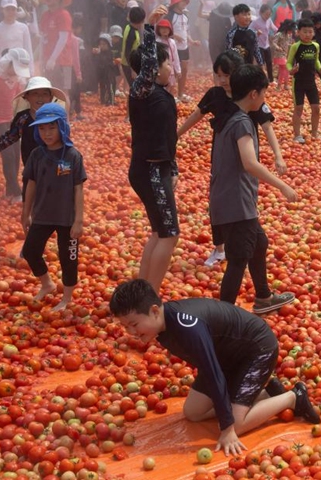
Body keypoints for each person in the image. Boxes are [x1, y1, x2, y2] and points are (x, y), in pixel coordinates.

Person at [109, 279, 320, 456]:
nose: (130, 332)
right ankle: (267, 392)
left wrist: (227, 429)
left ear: (154, 311)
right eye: (125, 326)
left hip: (257, 350)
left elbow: (212, 371)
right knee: (192, 412)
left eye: (134, 324)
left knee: (236, 424)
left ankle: (293, 397)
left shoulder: (187, 327)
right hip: (226, 357)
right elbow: (212, 367)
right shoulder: (162, 325)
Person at [177, 50, 287, 267]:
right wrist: (175, 135)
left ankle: (242, 244)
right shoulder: (215, 95)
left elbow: (267, 125)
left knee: (243, 199)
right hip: (223, 154)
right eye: (218, 75)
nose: (222, 80)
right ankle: (220, 248)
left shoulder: (250, 98)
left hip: (245, 156)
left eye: (227, 75)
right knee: (218, 200)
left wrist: (278, 155)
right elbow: (197, 115)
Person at [208, 64, 298, 312]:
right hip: (235, 202)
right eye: (265, 92)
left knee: (258, 243)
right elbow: (249, 163)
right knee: (238, 259)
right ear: (253, 94)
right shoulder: (242, 123)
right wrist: (283, 186)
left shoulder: (227, 117)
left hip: (227, 199)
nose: (265, 98)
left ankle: (263, 297)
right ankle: (223, 315)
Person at [128, 5, 179, 293]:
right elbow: (148, 61)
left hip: (156, 168)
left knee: (160, 231)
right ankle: (151, 296)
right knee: (170, 235)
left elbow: (168, 136)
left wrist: (172, 168)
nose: (170, 67)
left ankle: (143, 289)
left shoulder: (158, 94)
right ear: (154, 68)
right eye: (167, 63)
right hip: (148, 170)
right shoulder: (142, 89)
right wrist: (149, 26)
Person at [20, 102, 86, 312]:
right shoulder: (36, 155)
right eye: (42, 128)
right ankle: (47, 284)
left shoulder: (73, 156)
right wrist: (26, 213)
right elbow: (31, 184)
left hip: (67, 218)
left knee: (69, 258)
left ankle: (66, 298)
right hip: (41, 214)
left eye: (52, 127)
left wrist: (78, 220)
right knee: (30, 251)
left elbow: (78, 189)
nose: (47, 133)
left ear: (62, 127)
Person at [0, 77, 69, 204]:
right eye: (35, 94)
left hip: (53, 171)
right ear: (27, 97)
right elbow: (10, 137)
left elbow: (65, 146)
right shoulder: (22, 118)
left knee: (52, 204)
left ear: (51, 98)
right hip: (31, 170)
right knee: (32, 203)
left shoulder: (57, 119)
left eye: (44, 94)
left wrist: (65, 174)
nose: (40, 98)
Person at [0, 48, 31, 204]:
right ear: (8, 62)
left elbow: (19, 99)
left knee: (17, 154)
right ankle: (17, 191)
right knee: (8, 155)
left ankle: (10, 189)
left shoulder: (16, 79)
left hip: (12, 120)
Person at [287, 18, 321, 143]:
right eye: (304, 32)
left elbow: (316, 61)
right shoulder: (295, 46)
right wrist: (291, 70)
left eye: (310, 32)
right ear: (298, 32)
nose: (307, 34)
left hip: (311, 82)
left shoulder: (316, 46)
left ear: (313, 33)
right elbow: (288, 62)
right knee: (298, 109)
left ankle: (314, 132)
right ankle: (297, 135)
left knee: (316, 108)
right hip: (298, 82)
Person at [40, 0, 76, 99]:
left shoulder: (64, 14)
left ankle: (64, 115)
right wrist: (42, 59)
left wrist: (52, 59)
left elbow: (63, 39)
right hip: (48, 60)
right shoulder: (45, 15)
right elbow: (43, 38)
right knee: (49, 91)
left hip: (63, 61)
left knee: (63, 92)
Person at [167, 0, 198, 102]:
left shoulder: (185, 16)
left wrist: (192, 41)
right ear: (176, 3)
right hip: (172, 47)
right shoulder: (170, 15)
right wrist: (175, 36)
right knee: (174, 71)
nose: (185, 4)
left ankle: (181, 94)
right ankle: (170, 94)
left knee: (184, 70)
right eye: (183, 2)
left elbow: (186, 31)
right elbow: (163, 31)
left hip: (184, 47)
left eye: (186, 2)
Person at [0, 0, 34, 77]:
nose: (10, 12)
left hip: (20, 69)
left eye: (13, 9)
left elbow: (28, 49)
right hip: (2, 70)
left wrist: (31, 71)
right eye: (7, 9)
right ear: (2, 10)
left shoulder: (23, 28)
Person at [120, 7, 145, 93]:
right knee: (136, 89)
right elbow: (128, 52)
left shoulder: (128, 26)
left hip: (132, 62)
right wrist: (133, 69)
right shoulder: (132, 34)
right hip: (128, 64)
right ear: (141, 21)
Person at [156, 19, 182, 98]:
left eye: (166, 28)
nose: (164, 30)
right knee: (162, 86)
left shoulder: (172, 42)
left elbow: (176, 57)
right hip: (161, 69)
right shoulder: (157, 42)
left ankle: (169, 100)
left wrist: (178, 70)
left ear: (170, 30)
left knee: (171, 85)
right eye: (162, 28)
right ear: (158, 30)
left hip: (171, 69)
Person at [251, 4, 276, 81]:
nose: (268, 16)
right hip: (259, 45)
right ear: (261, 13)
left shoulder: (269, 20)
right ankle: (261, 79)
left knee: (269, 62)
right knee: (261, 63)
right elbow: (249, 30)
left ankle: (271, 79)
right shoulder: (256, 21)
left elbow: (274, 28)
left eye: (269, 14)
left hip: (266, 44)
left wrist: (281, 32)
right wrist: (256, 33)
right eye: (266, 14)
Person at [93, 34, 116, 105]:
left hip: (109, 74)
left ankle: (111, 101)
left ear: (108, 45)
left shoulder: (110, 53)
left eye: (104, 44)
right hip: (101, 74)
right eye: (100, 44)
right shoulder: (99, 53)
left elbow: (108, 62)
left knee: (110, 87)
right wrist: (95, 54)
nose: (102, 46)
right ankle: (102, 101)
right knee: (102, 87)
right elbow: (96, 62)